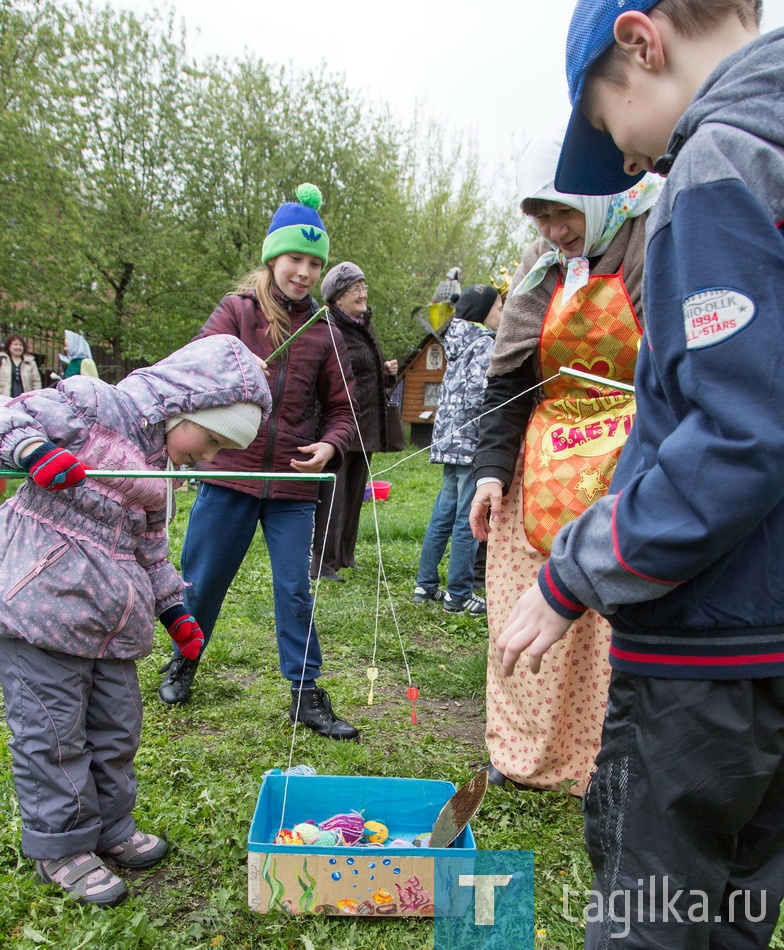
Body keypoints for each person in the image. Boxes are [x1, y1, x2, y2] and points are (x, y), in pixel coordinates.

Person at [497, 1, 784, 946]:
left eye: (613, 131)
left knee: (651, 917)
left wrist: (574, 570)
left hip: (708, 655)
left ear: (641, 42)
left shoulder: (717, 164)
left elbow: (739, 435)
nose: (632, 164)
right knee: (741, 911)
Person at [0, 334, 271, 907]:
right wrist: (31, 452)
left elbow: (149, 549)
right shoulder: (94, 404)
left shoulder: (160, 472)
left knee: (116, 730)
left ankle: (110, 830)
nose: (212, 457)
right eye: (213, 439)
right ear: (185, 406)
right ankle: (60, 846)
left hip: (110, 623)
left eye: (224, 449)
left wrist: (173, 608)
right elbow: (11, 417)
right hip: (40, 608)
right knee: (53, 735)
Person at [469, 129, 659, 794]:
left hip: (632, 460)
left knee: (606, 620)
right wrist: (490, 473)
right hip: (543, 461)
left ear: (603, 200)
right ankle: (521, 752)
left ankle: (601, 765)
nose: (554, 231)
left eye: (564, 213)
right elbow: (509, 383)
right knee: (522, 606)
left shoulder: (654, 239)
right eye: (543, 218)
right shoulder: (537, 272)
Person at [157, 183, 361, 742]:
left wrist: (330, 446)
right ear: (273, 257)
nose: (303, 270)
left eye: (314, 262)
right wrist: (234, 368)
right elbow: (195, 369)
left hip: (292, 484)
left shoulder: (323, 328)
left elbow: (345, 410)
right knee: (200, 582)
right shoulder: (236, 312)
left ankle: (304, 693)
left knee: (296, 589)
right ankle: (184, 660)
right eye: (295, 257)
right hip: (230, 473)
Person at [415, 284, 502, 615]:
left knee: (443, 512)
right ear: (482, 314)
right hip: (470, 445)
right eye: (499, 308)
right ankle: (459, 594)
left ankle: (425, 585)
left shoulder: (456, 339)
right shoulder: (483, 343)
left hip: (449, 441)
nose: (503, 314)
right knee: (469, 518)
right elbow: (478, 398)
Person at [310, 261, 398, 583]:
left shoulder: (365, 324)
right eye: (354, 289)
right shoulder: (329, 328)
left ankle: (345, 556)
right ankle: (322, 563)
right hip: (339, 424)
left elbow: (367, 370)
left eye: (363, 286)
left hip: (367, 424)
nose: (362, 293)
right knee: (333, 495)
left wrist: (386, 372)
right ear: (337, 298)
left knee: (355, 494)